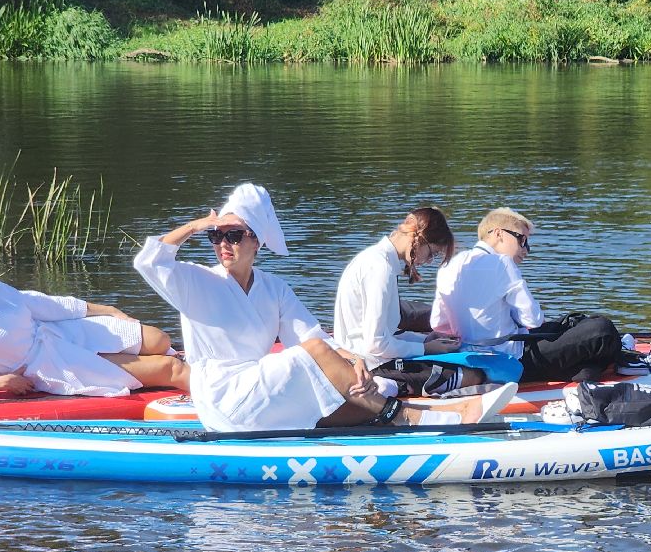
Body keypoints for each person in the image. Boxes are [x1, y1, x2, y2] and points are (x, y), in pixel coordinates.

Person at [133, 182, 514, 432]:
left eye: (234, 235)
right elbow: (148, 262)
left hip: (257, 392)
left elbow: (311, 335)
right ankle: (408, 417)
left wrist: (354, 360)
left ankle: (440, 416)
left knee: (362, 401)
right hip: (221, 397)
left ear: (257, 241)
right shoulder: (197, 281)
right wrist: (197, 225)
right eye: (216, 236)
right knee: (318, 359)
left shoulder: (273, 288)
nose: (223, 244)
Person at [0, 223, 185, 398]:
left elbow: (44, 304)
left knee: (160, 340)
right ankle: (206, 402)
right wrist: (0, 382)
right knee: (169, 367)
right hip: (52, 365)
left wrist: (107, 309)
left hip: (62, 331)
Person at [431, 207, 622, 383]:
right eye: (522, 240)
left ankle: (585, 369)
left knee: (568, 323)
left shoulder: (448, 266)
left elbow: (439, 323)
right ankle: (604, 361)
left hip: (469, 357)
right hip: (512, 360)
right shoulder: (502, 263)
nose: (526, 250)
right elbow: (533, 319)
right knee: (602, 330)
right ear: (498, 233)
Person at [333, 207, 487, 397]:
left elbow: (386, 333)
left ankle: (396, 385)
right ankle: (388, 388)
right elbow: (376, 344)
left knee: (448, 357)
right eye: (432, 253)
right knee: (473, 375)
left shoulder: (375, 259)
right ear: (419, 239)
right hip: (369, 364)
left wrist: (425, 340)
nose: (429, 261)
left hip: (362, 355)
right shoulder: (380, 269)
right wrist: (425, 348)